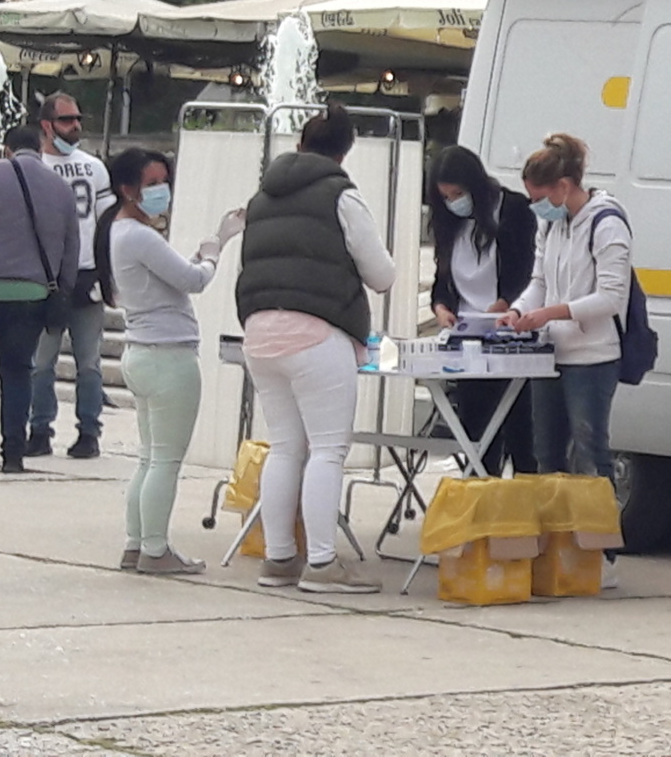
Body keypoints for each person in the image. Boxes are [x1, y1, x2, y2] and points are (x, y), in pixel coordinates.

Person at [235, 105, 396, 595]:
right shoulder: (342, 196)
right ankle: (323, 563)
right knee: (327, 450)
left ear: (300, 144)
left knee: (285, 447)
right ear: (346, 150)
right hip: (317, 335)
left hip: (259, 332)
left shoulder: (260, 198)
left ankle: (279, 557)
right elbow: (381, 275)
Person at [97, 148, 245, 576]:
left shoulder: (117, 231)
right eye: (152, 184)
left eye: (165, 182)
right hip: (168, 357)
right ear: (128, 189)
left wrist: (203, 253)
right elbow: (193, 280)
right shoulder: (139, 235)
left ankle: (137, 543)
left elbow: (172, 278)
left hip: (143, 353)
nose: (161, 191)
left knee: (149, 458)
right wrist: (216, 247)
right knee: (164, 461)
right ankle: (155, 549)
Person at [501, 133, 634, 486]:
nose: (536, 207)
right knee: (546, 453)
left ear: (563, 186)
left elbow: (610, 297)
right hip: (552, 353)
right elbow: (539, 281)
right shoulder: (550, 223)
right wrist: (518, 311)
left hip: (593, 357)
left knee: (590, 453)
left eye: (539, 198)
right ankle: (554, 521)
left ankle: (596, 520)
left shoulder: (607, 223)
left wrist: (551, 313)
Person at [0, 127, 81, 474]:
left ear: (7, 149)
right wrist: (62, 289)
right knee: (18, 370)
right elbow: (71, 248)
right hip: (31, 294)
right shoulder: (60, 188)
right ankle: (13, 454)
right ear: (40, 148)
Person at [426, 146, 537, 475]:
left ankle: (524, 500)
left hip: (510, 337)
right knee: (478, 438)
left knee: (522, 438)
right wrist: (441, 307)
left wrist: (505, 303)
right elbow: (442, 279)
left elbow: (527, 269)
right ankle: (484, 497)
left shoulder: (513, 210)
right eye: (446, 197)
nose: (453, 202)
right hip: (468, 339)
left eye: (458, 194)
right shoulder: (450, 223)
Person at [26, 93, 113, 460]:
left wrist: (107, 275)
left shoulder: (94, 167)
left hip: (86, 273)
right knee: (40, 362)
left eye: (78, 119)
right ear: (47, 125)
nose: (75, 126)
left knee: (89, 361)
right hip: (45, 276)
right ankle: (39, 429)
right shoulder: (34, 167)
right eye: (66, 120)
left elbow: (107, 223)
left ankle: (89, 431)